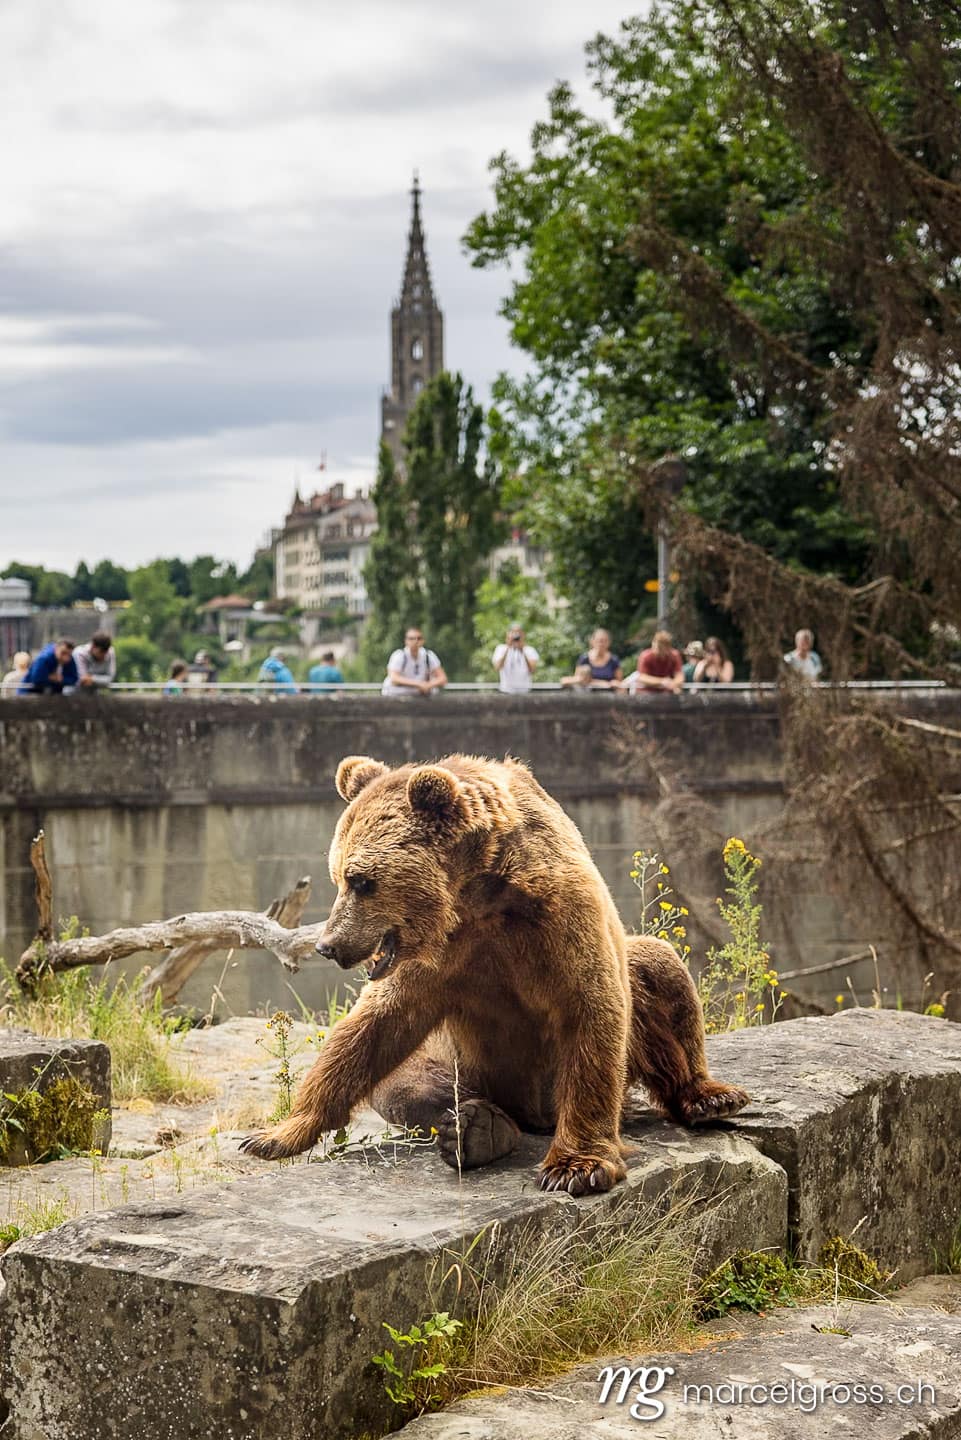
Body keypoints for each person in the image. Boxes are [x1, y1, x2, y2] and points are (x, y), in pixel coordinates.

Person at [382, 628, 447, 698]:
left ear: (423, 641)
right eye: (411, 638)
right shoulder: (399, 655)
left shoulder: (428, 655)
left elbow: (443, 679)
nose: (415, 641)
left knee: (434, 691)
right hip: (397, 693)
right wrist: (418, 684)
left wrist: (428, 685)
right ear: (406, 641)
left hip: (419, 693)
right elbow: (394, 679)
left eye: (419, 638)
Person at [492, 624, 539, 694]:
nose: (516, 636)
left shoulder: (530, 650)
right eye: (513, 632)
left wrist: (522, 650)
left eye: (518, 633)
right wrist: (508, 647)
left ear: (523, 635)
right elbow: (497, 667)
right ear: (508, 634)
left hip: (525, 691)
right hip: (506, 691)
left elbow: (532, 669)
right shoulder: (501, 649)